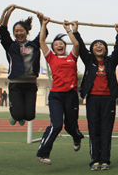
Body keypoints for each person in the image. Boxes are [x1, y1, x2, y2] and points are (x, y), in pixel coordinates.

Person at [35, 17, 85, 165]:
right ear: (53, 49)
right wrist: (43, 25)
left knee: (71, 126)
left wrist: (68, 30)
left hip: (71, 96)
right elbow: (41, 42)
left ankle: (77, 137)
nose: (59, 45)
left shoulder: (72, 57)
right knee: (56, 126)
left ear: (65, 46)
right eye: (56, 44)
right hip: (56, 96)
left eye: (61, 43)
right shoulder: (51, 58)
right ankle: (42, 154)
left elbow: (76, 44)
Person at [74, 22, 118, 171]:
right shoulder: (89, 61)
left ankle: (105, 160)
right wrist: (75, 32)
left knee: (106, 130)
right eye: (96, 44)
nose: (99, 46)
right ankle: (95, 160)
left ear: (105, 49)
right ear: (92, 50)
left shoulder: (111, 62)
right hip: (92, 99)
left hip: (108, 99)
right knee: (94, 130)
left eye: (101, 44)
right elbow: (81, 47)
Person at [0, 5, 41, 126]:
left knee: (30, 116)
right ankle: (14, 114)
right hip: (15, 83)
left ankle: (20, 114)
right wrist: (8, 13)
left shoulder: (34, 45)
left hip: (31, 84)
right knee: (18, 115)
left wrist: (41, 20)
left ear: (27, 32)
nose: (19, 33)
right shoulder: (11, 46)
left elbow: (43, 34)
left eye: (21, 30)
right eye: (16, 31)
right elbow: (3, 31)